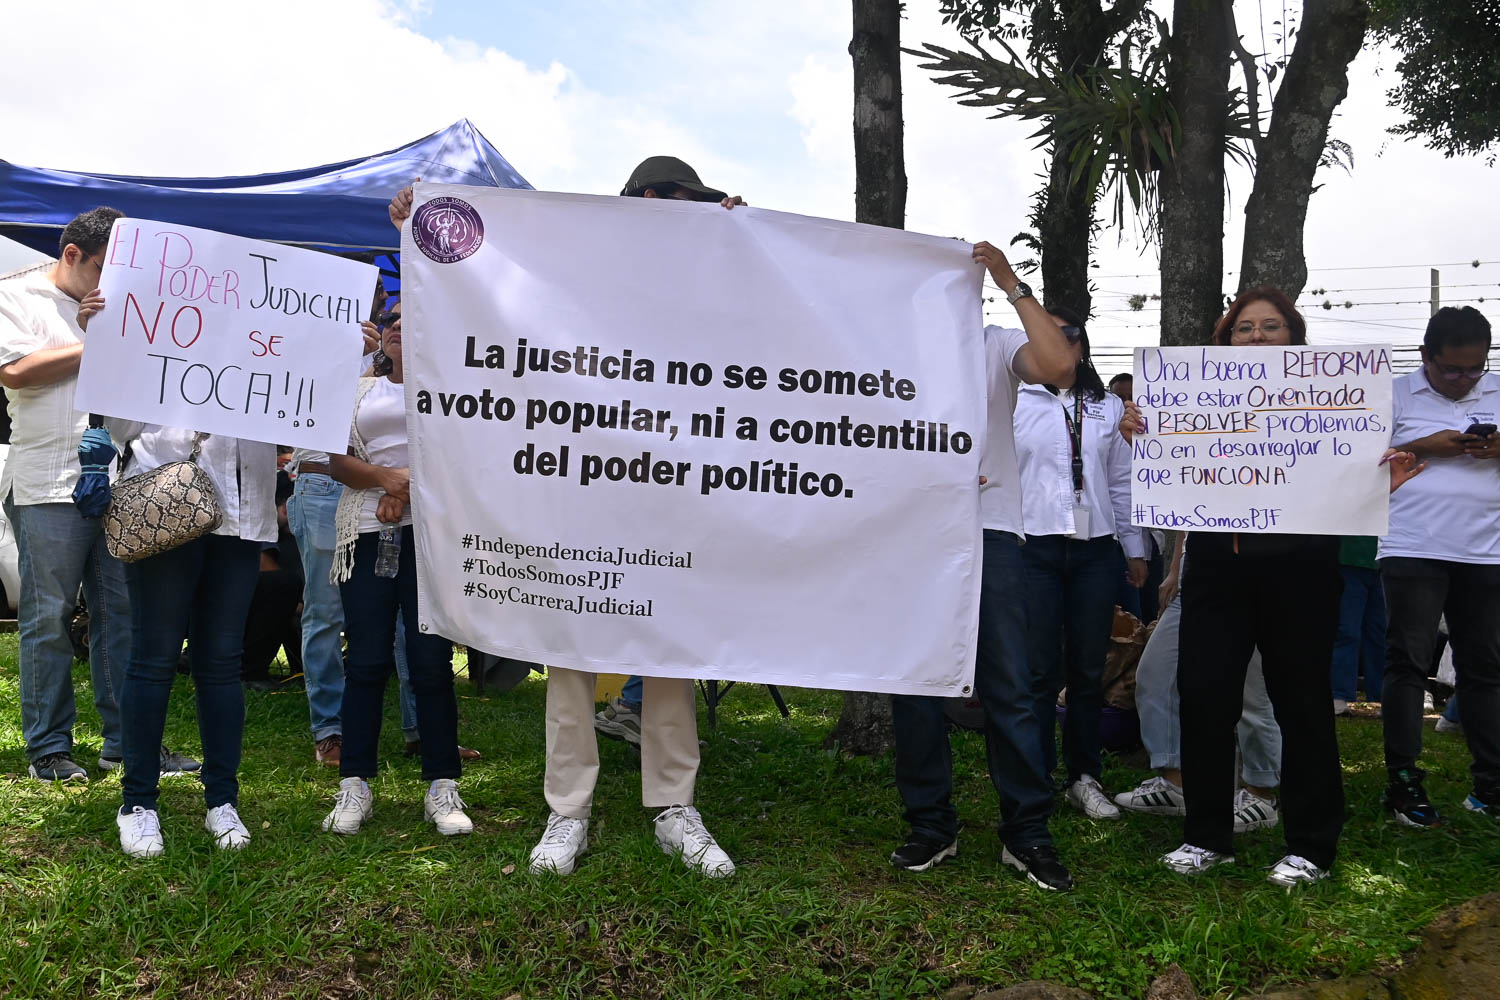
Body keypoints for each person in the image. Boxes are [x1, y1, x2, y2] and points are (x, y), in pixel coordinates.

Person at [391, 157, 746, 876]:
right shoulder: (577, 256)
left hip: (668, 483)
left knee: (671, 643)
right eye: (685, 202)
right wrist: (417, 217)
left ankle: (675, 805)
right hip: (578, 482)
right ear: (648, 200)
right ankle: (567, 811)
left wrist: (746, 244)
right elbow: (491, 285)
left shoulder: (702, 270)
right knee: (571, 648)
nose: (692, 214)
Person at [1157, 287, 1422, 887]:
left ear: (1295, 338)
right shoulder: (1193, 398)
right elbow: (1172, 474)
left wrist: (1382, 484)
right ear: (1225, 341)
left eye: (1270, 326)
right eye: (1244, 328)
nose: (1256, 337)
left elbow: (1343, 483)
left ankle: (1311, 844)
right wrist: (1146, 436)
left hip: (1301, 570)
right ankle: (1206, 837)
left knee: (1302, 704)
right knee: (1204, 699)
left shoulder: (1332, 402)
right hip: (1217, 567)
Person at [888, 242, 1078, 891]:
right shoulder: (883, 346)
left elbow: (1058, 363)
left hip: (990, 531)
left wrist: (1009, 280)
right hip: (911, 534)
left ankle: (1026, 831)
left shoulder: (996, 345)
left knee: (1010, 690)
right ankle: (930, 824)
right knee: (915, 687)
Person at [76, 284, 274, 857]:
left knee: (220, 662)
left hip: (243, 514)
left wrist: (344, 358)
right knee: (154, 657)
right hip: (166, 507)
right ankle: (138, 802)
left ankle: (222, 800)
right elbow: (115, 425)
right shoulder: (156, 334)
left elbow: (303, 432)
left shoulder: (276, 347)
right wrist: (106, 343)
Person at [322, 302, 473, 838]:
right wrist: (384, 480)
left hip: (433, 538)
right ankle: (354, 783)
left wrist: (408, 490)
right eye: (392, 323)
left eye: (414, 320)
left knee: (430, 660)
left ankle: (441, 784)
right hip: (365, 532)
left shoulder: (460, 390)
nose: (400, 328)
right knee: (365, 659)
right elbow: (332, 459)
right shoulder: (359, 391)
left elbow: (471, 460)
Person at [0, 208, 140, 782]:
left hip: (111, 481)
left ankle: (126, 744)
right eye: (103, 268)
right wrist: (93, 340)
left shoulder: (125, 306)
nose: (109, 283)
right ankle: (50, 749)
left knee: (119, 616)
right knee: (48, 617)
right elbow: (16, 372)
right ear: (72, 256)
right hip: (46, 481)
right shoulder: (19, 296)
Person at [1013, 307, 1146, 820]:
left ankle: (1085, 776)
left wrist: (1134, 549)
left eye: (1067, 336)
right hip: (1035, 547)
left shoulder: (1110, 408)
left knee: (1090, 668)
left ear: (1082, 347)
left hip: (1095, 549)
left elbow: (1121, 481)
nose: (1056, 344)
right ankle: (1038, 774)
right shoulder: (1013, 404)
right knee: (1041, 670)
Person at [1378, 305, 1500, 824]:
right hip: (1411, 545)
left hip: (1487, 549)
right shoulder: (1392, 394)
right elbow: (1347, 462)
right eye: (1451, 369)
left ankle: (1490, 786)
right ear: (1424, 356)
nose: (1464, 380)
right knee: (1408, 661)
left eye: (1475, 369)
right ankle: (1405, 782)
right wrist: (1419, 446)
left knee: (1486, 667)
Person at [1114, 534, 1282, 832]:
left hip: (1253, 566)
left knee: (1252, 689)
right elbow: (1187, 508)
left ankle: (1261, 793)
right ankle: (1175, 783)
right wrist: (1177, 568)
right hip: (1197, 569)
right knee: (1155, 674)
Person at [1331, 536, 1385, 714]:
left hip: (1387, 559)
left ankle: (1384, 694)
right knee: (1347, 630)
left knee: (1381, 633)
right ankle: (1338, 694)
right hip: (1350, 558)